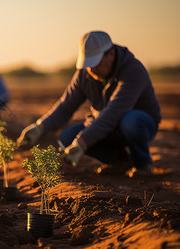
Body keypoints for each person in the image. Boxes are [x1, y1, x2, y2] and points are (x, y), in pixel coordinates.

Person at [17, 31, 161, 177]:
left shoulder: (133, 71)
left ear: (110, 54)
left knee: (131, 120)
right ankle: (120, 161)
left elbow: (114, 113)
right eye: (88, 63)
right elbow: (66, 106)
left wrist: (82, 143)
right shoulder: (85, 73)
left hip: (139, 124)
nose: (91, 69)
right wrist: (40, 126)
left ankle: (143, 165)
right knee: (66, 138)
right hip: (105, 126)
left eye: (95, 62)